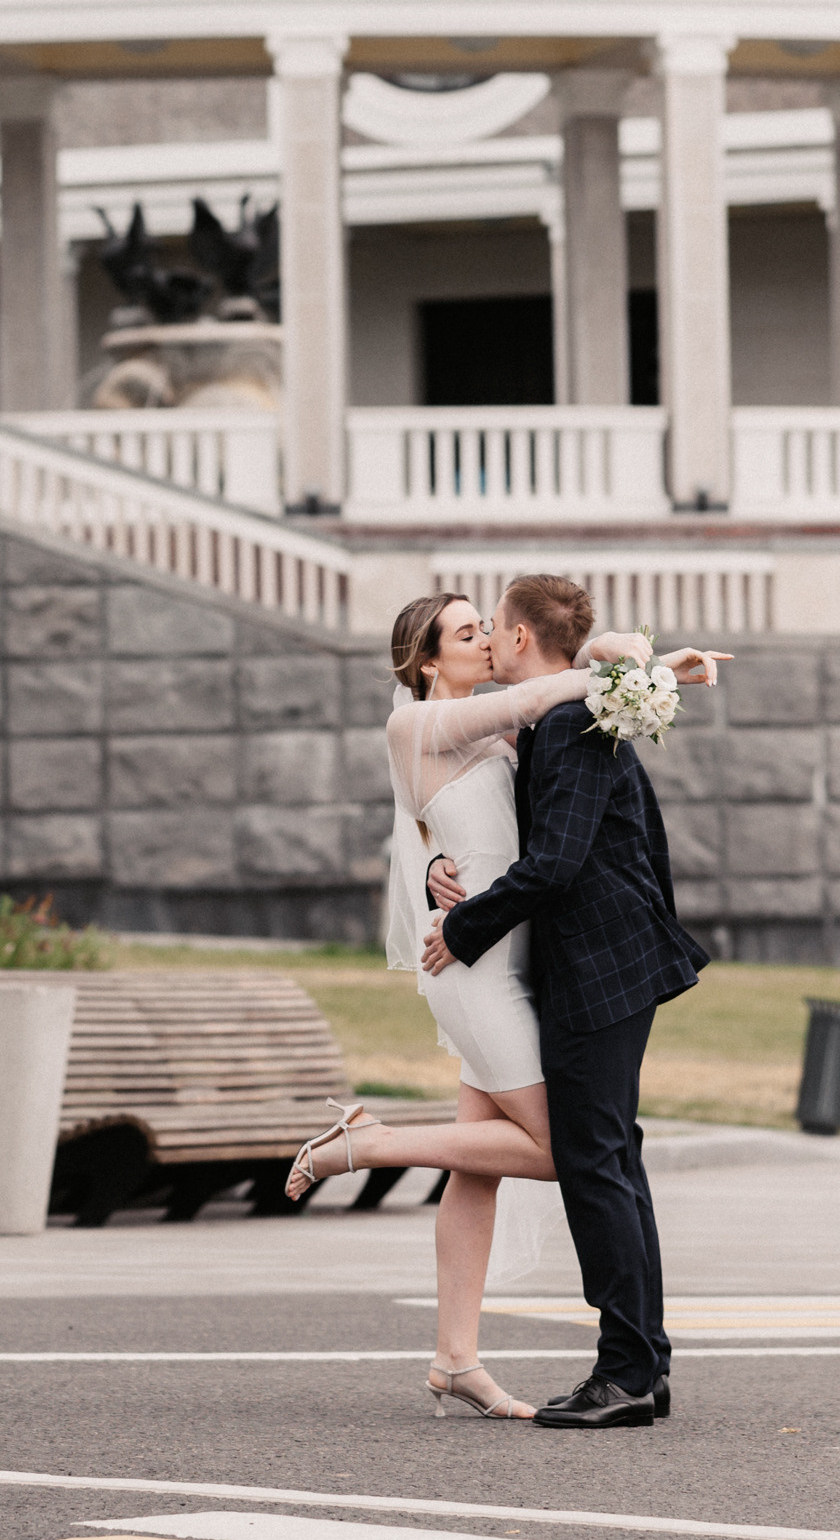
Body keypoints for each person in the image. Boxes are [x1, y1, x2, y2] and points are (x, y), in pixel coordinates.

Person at [284, 587, 726, 1424]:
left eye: (488, 625)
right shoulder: (416, 725)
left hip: (516, 954)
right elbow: (536, 699)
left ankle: (455, 1358)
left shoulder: (500, 725)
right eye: (464, 631)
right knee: (564, 1151)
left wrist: (636, 666)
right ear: (424, 661)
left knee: (480, 1164)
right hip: (474, 961)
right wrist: (635, 668)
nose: (484, 638)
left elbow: (539, 727)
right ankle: (366, 1145)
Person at [427, 571, 718, 1433]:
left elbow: (554, 862)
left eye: (494, 628)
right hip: (607, 962)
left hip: (598, 967)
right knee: (611, 1161)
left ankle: (625, 1371)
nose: (487, 640)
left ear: (519, 639)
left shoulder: (567, 724)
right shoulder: (565, 715)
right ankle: (644, 1366)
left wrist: (465, 926)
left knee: (595, 1165)